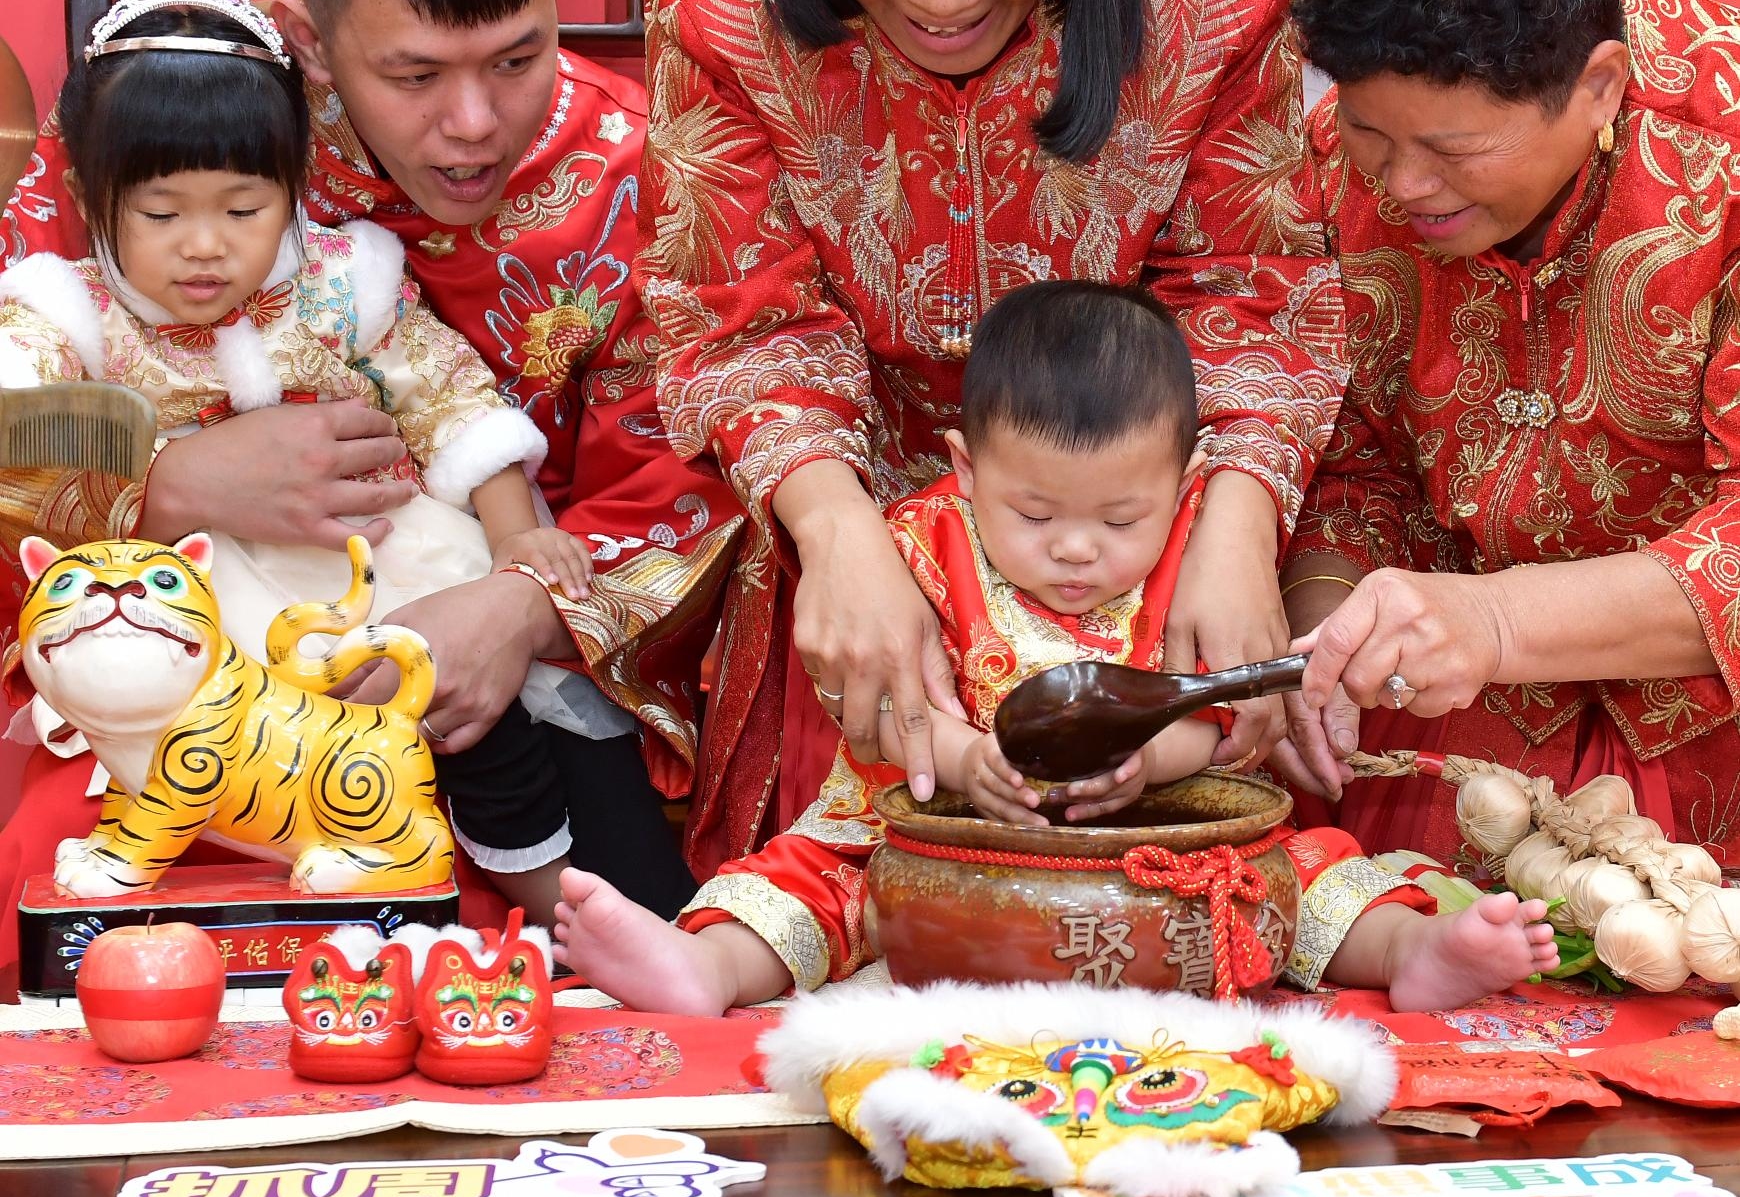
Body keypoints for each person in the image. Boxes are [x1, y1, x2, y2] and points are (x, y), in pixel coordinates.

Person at [639, 0, 1346, 873]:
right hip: (859, 541)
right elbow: (744, 315)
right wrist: (846, 542)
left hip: (1133, 538)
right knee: (850, 933)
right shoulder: (718, 3)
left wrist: (1232, 527)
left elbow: (1253, 294)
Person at [2, 0, 741, 913]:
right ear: (308, 37)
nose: (474, 121)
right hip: (180, 641)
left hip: (499, 651)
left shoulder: (645, 180)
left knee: (619, 900)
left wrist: (515, 608)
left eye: (517, 56)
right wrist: (161, 488)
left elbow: (687, 472)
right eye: (414, 75)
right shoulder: (165, 120)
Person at [555, 282, 1553, 1013]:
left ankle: (1417, 952)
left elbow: (1223, 719)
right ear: (965, 466)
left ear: (1187, 481)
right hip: (936, 830)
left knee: (1292, 873)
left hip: (1157, 835)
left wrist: (1150, 757)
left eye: (1122, 518)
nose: (1076, 551)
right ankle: (705, 969)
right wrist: (959, 758)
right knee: (815, 878)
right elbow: (877, 702)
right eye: (1030, 512)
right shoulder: (919, 544)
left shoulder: (1205, 551)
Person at [0, 0, 598, 920]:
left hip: (382, 564)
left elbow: (448, 394)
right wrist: (157, 473)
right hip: (208, 597)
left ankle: (563, 910)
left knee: (473, 718)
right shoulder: (72, 313)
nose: (205, 247)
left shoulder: (339, 287)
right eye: (162, 215)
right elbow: (16, 428)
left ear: (294, 185)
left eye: (243, 210)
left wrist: (515, 535)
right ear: (88, 192)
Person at [1276, 0, 1740, 858]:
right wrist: (1326, 636)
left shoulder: (1728, 145)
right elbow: (1350, 462)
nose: (1399, 187)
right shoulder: (1332, 168)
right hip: (1440, 741)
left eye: (1454, 150)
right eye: (1367, 132)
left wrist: (1493, 624)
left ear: (1601, 87)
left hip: (1710, 742)